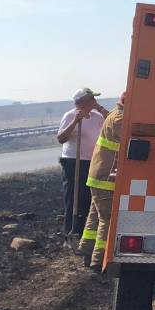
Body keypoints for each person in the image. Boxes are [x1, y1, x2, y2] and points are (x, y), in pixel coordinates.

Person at [78, 93, 123, 269]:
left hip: (98, 176)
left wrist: (97, 106)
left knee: (95, 216)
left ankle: (86, 249)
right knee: (107, 218)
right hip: (105, 178)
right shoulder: (120, 119)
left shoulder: (114, 114)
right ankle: (98, 261)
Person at [56, 88, 108, 237]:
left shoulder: (97, 116)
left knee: (89, 198)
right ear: (82, 102)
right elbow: (61, 138)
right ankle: (71, 232)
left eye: (94, 99)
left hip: (92, 162)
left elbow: (113, 121)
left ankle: (85, 231)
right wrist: (75, 121)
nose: (94, 101)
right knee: (73, 198)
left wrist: (100, 108)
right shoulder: (70, 115)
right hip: (74, 162)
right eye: (91, 99)